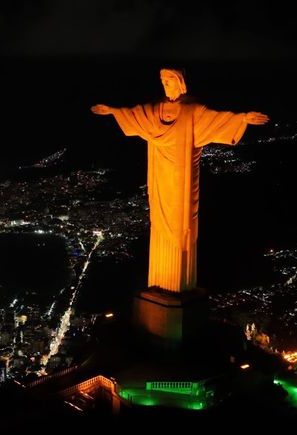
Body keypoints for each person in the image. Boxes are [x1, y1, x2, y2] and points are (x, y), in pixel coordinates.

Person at [91, 68, 269, 293]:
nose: (166, 85)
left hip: (182, 177)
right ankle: (160, 286)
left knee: (181, 223)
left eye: (170, 81)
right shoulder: (155, 109)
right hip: (159, 174)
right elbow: (134, 114)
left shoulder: (192, 110)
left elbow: (218, 119)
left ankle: (179, 286)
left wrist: (242, 118)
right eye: (163, 82)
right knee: (158, 219)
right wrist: (113, 111)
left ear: (181, 83)